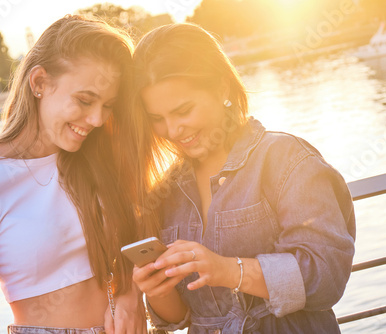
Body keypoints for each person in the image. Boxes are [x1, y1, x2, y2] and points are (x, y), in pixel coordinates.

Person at [130, 23, 356, 333]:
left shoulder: (285, 157)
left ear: (222, 88)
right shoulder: (167, 191)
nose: (172, 130)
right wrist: (158, 290)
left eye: (183, 110)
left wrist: (229, 270)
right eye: (157, 119)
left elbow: (327, 277)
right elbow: (180, 317)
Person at [0, 15, 146, 334]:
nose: (97, 118)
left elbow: (141, 241)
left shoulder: (100, 153)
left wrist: (130, 296)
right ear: (39, 82)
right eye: (84, 100)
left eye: (107, 104)